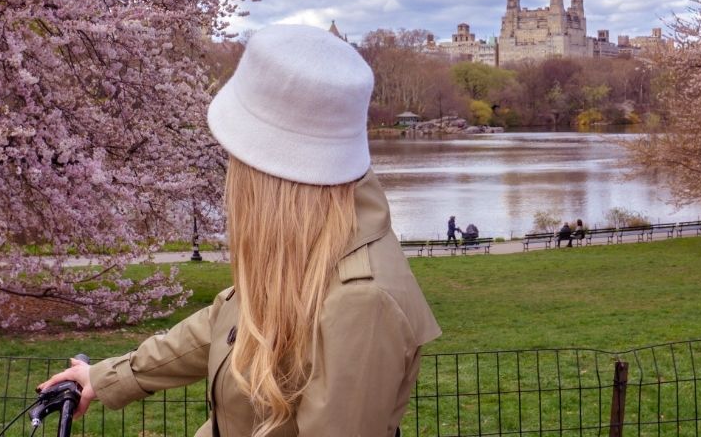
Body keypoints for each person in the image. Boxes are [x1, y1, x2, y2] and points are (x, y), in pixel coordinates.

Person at [38, 24, 441, 437]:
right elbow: (224, 323)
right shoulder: (310, 245)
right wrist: (106, 377)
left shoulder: (362, 301)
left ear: (265, 170)